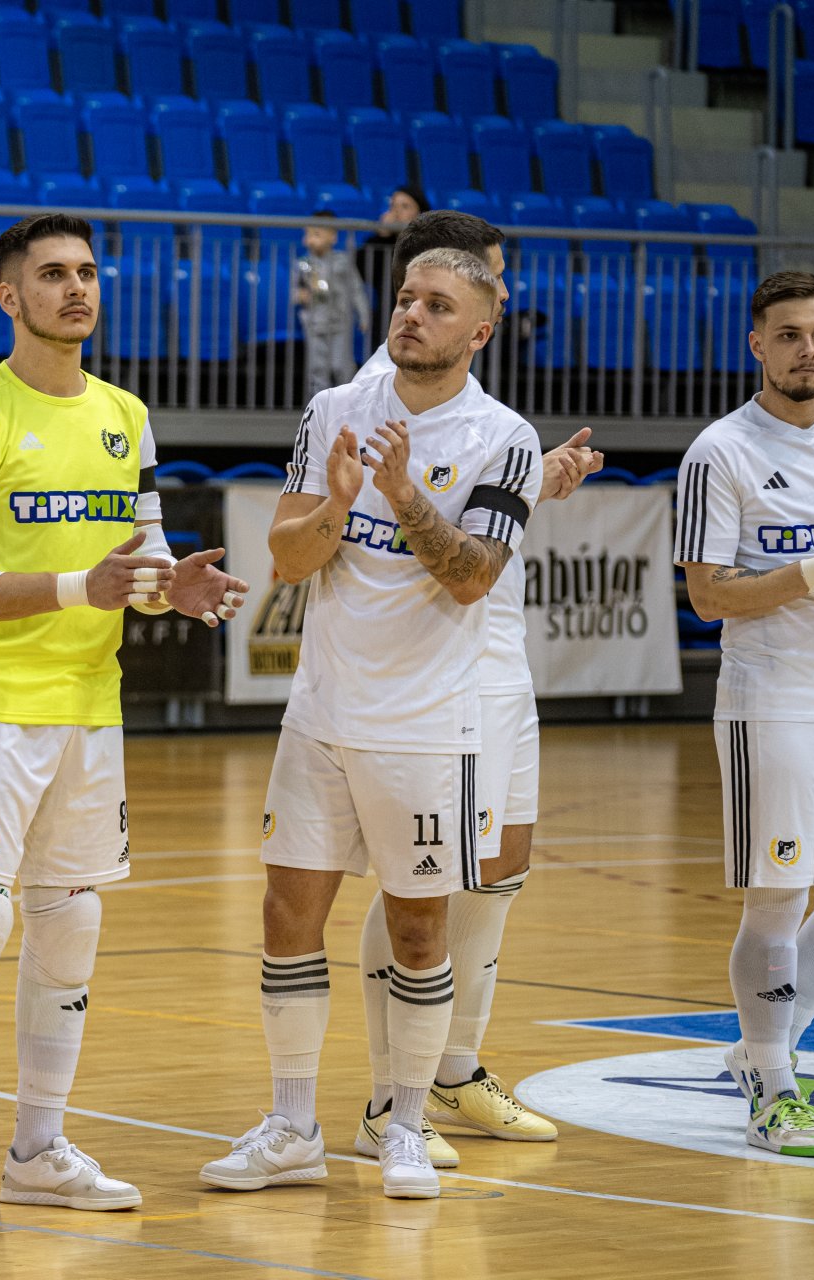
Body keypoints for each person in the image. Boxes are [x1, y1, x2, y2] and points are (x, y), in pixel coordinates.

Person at [0, 212, 248, 1227]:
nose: (76, 289)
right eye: (52, 275)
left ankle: (38, 1148)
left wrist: (164, 589)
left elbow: (136, 564)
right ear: (10, 296)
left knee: (73, 925)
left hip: (92, 707)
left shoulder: (127, 413)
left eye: (87, 272)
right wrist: (82, 585)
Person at [202, 247, 542, 1201]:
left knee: (420, 929)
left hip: (431, 725)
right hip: (322, 713)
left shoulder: (505, 437)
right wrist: (340, 509)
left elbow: (473, 576)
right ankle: (292, 1123)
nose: (411, 317)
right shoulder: (332, 411)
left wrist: (400, 496)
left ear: (478, 329)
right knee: (285, 917)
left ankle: (401, 1123)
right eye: (405, 300)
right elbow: (289, 554)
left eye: (437, 306)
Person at [349, 211, 601, 1169]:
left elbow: (480, 498)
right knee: (424, 877)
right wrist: (538, 478)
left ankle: (451, 1070)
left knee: (497, 869)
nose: (488, 296)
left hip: (498, 654)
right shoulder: (380, 388)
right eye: (478, 281)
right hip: (438, 660)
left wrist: (541, 477)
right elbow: (418, 516)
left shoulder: (477, 399)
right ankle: (390, 1095)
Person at [675, 271, 814, 1159]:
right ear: (756, 346)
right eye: (791, 335)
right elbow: (707, 596)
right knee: (779, 898)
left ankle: (759, 1052)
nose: (810, 350)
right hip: (769, 705)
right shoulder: (719, 453)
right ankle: (771, 1085)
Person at [295, 210, 372, 397]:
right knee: (317, 367)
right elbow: (295, 291)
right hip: (314, 323)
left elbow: (356, 289)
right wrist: (299, 295)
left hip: (340, 322)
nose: (310, 239)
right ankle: (317, 407)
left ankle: (347, 402)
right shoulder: (303, 264)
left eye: (317, 234)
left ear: (333, 237)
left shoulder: (343, 262)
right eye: (308, 234)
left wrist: (363, 314)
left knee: (341, 365)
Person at [356, 186, 429, 345]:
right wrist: (380, 235)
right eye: (393, 206)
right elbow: (362, 270)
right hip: (387, 316)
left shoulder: (429, 244)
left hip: (421, 318)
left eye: (405, 206)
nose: (396, 213)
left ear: (420, 214)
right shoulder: (382, 244)